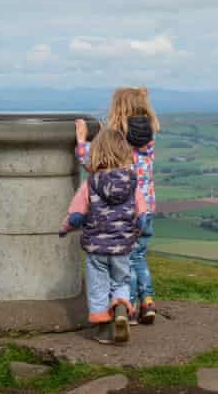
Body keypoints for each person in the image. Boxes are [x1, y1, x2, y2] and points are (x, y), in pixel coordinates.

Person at [75, 86, 159, 325]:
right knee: (139, 256)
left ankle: (127, 309)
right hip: (148, 207)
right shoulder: (148, 136)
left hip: (125, 211)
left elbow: (93, 164)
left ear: (117, 109)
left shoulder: (119, 140)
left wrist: (83, 142)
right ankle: (148, 301)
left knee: (126, 260)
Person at [59, 129, 147, 344]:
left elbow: (76, 215)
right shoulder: (132, 181)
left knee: (98, 286)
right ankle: (120, 309)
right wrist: (136, 231)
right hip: (122, 248)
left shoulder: (90, 183)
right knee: (121, 281)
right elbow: (142, 213)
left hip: (96, 249)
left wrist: (64, 229)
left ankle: (104, 331)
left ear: (96, 153)